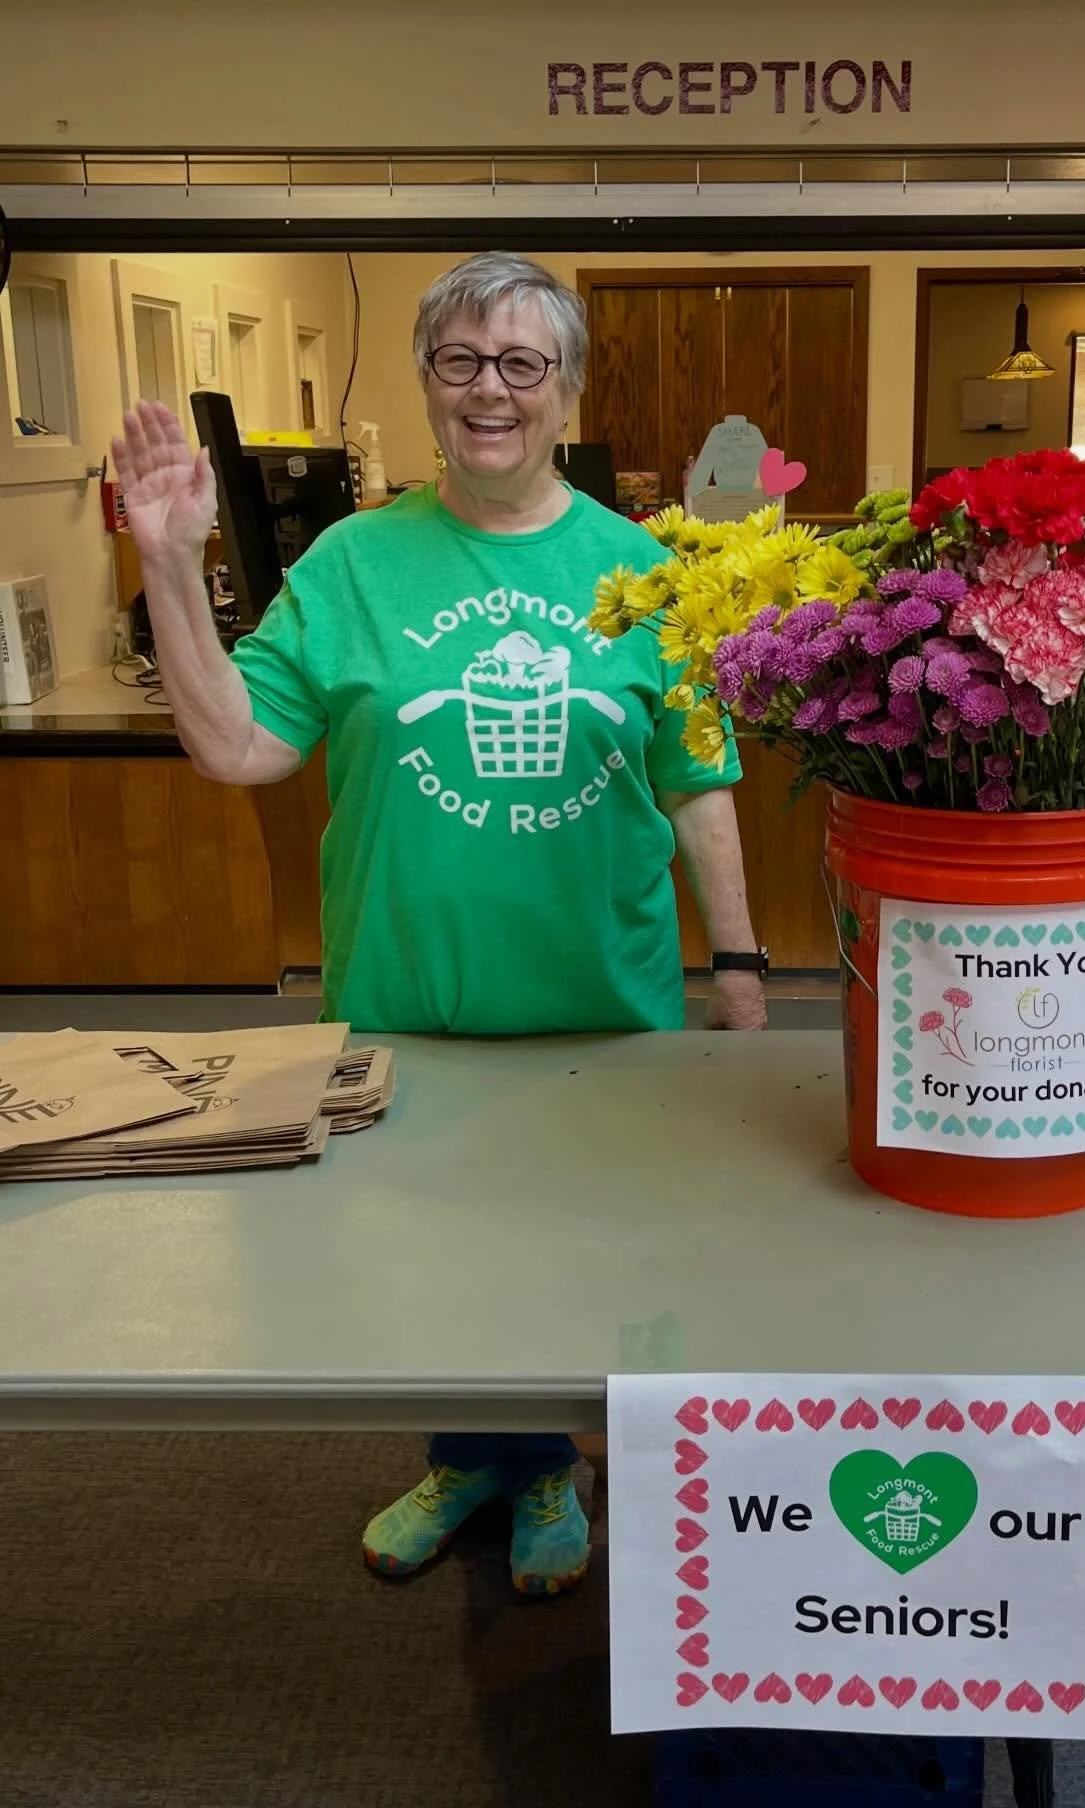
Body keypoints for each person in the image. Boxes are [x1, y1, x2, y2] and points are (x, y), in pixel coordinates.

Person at [111, 252, 767, 1596]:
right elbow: (238, 747)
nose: (491, 390)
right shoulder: (353, 563)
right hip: (409, 1004)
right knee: (430, 1269)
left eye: (523, 364)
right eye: (462, 361)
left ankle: (553, 1471)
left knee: (589, 1259)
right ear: (426, 383)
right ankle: (478, 1457)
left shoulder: (643, 571)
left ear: (567, 389)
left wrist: (743, 966)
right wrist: (171, 568)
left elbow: (699, 780)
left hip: (600, 1008)